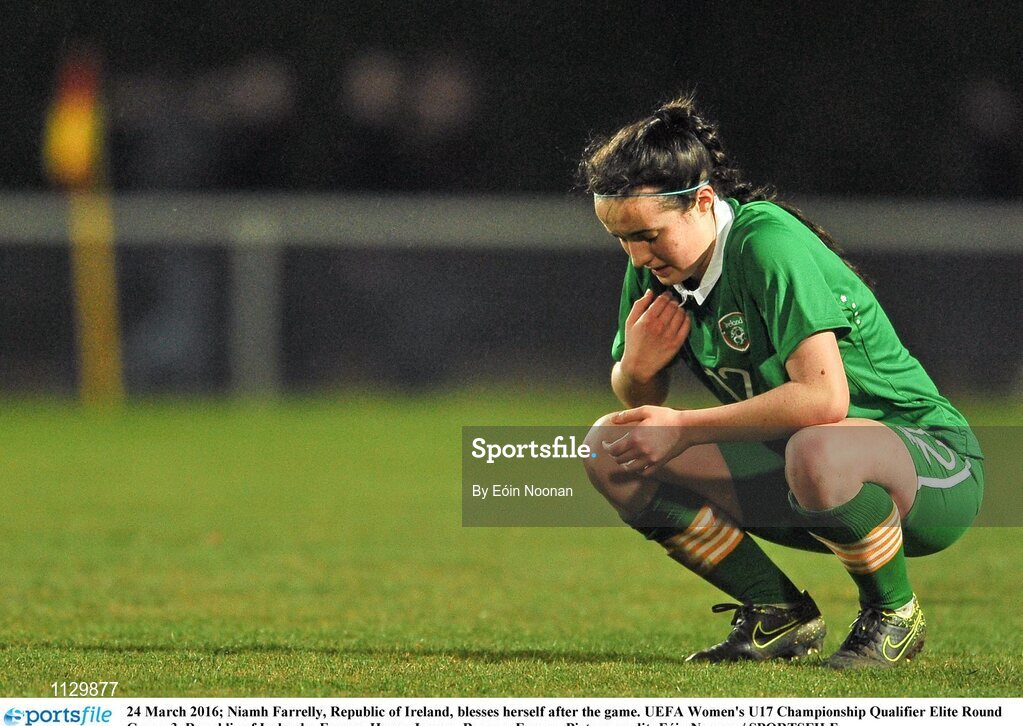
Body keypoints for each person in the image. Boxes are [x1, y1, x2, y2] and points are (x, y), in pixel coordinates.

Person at [578, 95, 984, 669]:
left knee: (816, 448)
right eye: (620, 239)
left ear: (700, 201)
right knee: (608, 450)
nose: (637, 256)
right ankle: (777, 613)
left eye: (647, 235)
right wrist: (639, 369)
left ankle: (893, 614)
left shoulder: (766, 244)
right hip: (804, 469)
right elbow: (641, 401)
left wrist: (685, 428)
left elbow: (824, 400)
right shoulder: (658, 263)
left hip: (932, 467)